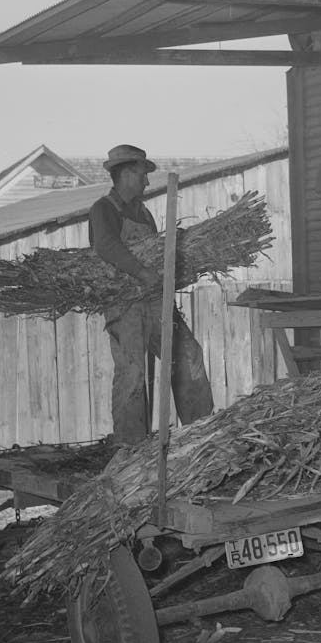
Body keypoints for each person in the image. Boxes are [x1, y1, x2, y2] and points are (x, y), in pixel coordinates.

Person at [89, 144, 214, 444]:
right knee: (132, 373)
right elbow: (105, 246)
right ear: (126, 174)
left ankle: (201, 435)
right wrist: (142, 273)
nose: (146, 182)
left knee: (188, 353)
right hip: (125, 304)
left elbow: (158, 258)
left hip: (155, 302)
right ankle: (130, 449)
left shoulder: (144, 214)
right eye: (142, 175)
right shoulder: (103, 209)